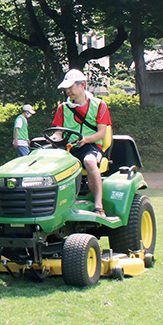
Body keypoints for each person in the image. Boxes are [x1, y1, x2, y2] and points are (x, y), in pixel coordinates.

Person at [51, 69, 114, 217]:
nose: (68, 91)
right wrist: (54, 139)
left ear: (82, 85)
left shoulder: (99, 106)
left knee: (90, 161)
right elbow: (58, 132)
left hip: (91, 146)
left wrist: (86, 140)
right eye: (66, 88)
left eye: (71, 87)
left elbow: (101, 133)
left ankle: (99, 205)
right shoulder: (63, 108)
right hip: (69, 147)